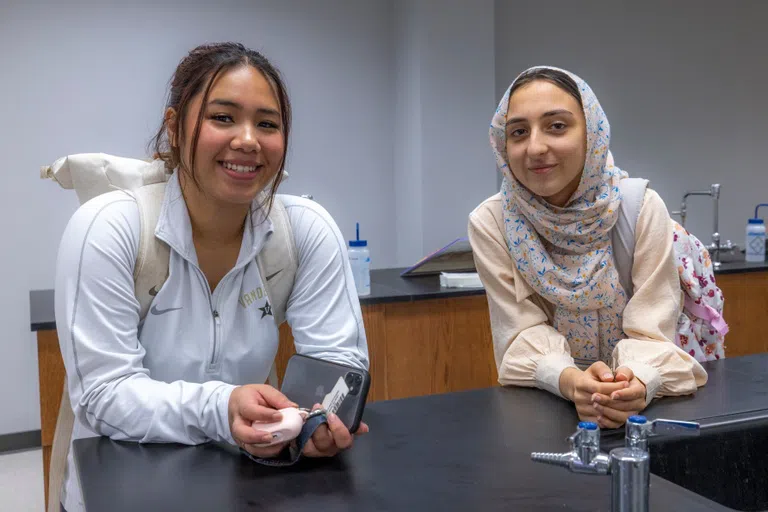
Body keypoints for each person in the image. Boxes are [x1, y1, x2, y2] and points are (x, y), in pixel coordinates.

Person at [54, 42, 369, 512]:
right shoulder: (111, 227)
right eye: (223, 117)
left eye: (268, 124)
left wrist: (313, 424)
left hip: (246, 486)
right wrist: (222, 409)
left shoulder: (303, 230)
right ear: (175, 128)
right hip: (122, 487)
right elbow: (105, 394)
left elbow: (338, 360)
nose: (248, 140)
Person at [468, 66, 707, 429]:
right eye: (518, 132)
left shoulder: (639, 208)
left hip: (645, 410)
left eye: (557, 126)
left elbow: (652, 327)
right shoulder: (494, 223)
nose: (535, 147)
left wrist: (636, 382)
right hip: (547, 412)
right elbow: (518, 333)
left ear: (592, 132)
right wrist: (570, 381)